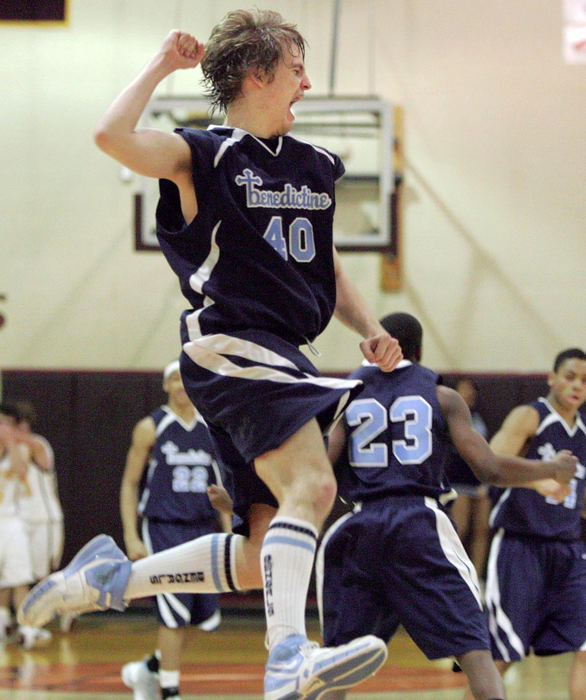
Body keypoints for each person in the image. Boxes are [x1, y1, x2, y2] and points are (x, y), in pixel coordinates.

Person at [19, 10, 402, 700]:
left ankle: (102, 580)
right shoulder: (205, 154)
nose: (307, 84)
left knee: (261, 558)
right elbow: (110, 135)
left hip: (284, 355)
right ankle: (287, 656)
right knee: (314, 488)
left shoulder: (314, 167)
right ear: (258, 76)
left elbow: (329, 269)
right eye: (295, 70)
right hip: (231, 343)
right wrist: (164, 64)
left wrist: (368, 326)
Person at [314, 313, 578, 700]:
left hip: (360, 527)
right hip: (418, 522)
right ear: (419, 353)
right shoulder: (441, 395)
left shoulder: (349, 394)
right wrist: (551, 468)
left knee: (337, 666)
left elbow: (320, 471)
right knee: (476, 654)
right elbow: (489, 468)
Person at [462, 348, 586, 700]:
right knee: (502, 655)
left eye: (585, 381)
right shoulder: (531, 416)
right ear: (552, 378)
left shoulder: (584, 435)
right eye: (570, 376)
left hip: (568, 551)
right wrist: (536, 479)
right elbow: (491, 464)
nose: (577, 385)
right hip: (521, 548)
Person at [120, 360, 229, 700]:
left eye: (186, 380)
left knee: (202, 617)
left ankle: (149, 669)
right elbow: (129, 484)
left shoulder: (212, 428)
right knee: (173, 614)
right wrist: (132, 536)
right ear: (165, 386)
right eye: (174, 380)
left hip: (203, 528)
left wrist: (230, 530)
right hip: (164, 528)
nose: (181, 386)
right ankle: (170, 692)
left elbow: (222, 486)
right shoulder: (151, 427)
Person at [0, 403, 51, 649]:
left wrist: (10, 443)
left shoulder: (18, 450)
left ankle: (27, 628)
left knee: (20, 577)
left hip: (11, 522)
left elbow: (21, 472)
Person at [446, 378, 491, 580]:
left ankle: (477, 575)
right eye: (464, 390)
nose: (468, 394)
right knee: (459, 529)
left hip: (480, 482)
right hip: (459, 482)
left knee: (482, 529)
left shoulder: (478, 418)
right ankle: (454, 574)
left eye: (471, 390)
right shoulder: (449, 418)